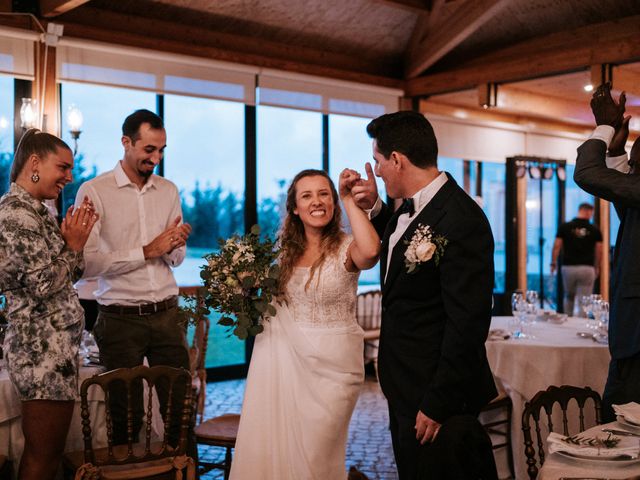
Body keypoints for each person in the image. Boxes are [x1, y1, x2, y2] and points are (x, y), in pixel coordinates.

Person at [347, 111, 498, 479]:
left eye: (379, 162)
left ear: (397, 159)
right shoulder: (416, 208)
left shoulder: (461, 218)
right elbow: (404, 250)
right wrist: (377, 209)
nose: (377, 172)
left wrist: (437, 403)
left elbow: (468, 321)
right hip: (407, 386)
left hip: (435, 397)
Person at [230, 169, 380, 480]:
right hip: (285, 365)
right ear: (295, 208)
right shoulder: (282, 255)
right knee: (282, 452)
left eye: (324, 194)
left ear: (333, 201)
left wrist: (350, 199)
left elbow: (371, 252)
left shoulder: (347, 246)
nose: (317, 202)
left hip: (335, 370)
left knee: (318, 453)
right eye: (307, 195)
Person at [74, 109, 192, 445]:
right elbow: (88, 264)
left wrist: (174, 245)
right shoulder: (94, 191)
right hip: (119, 319)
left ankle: (182, 471)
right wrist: (146, 250)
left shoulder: (168, 191)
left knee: (177, 411)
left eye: (161, 150)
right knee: (124, 416)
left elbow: (176, 258)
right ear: (126, 142)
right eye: (149, 149)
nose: (156, 158)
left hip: (167, 315)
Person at [0, 129, 98, 480]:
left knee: (50, 454)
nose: (70, 177)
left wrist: (77, 243)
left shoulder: (37, 211)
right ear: (35, 163)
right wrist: (71, 246)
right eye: (64, 167)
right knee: (42, 457)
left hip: (54, 352)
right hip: (40, 353)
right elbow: (43, 284)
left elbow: (67, 273)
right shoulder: (16, 214)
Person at [574, 82, 640, 422]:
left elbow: (586, 173)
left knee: (621, 428)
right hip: (630, 336)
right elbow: (627, 205)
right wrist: (617, 152)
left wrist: (604, 127)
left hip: (636, 339)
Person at [551, 203, 602, 316]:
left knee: (568, 297)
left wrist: (553, 263)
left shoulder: (565, 227)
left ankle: (567, 322)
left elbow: (556, 246)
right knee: (584, 300)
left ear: (579, 211)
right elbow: (599, 250)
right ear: (590, 212)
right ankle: (582, 326)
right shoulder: (594, 229)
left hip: (568, 267)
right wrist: (597, 266)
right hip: (587, 268)